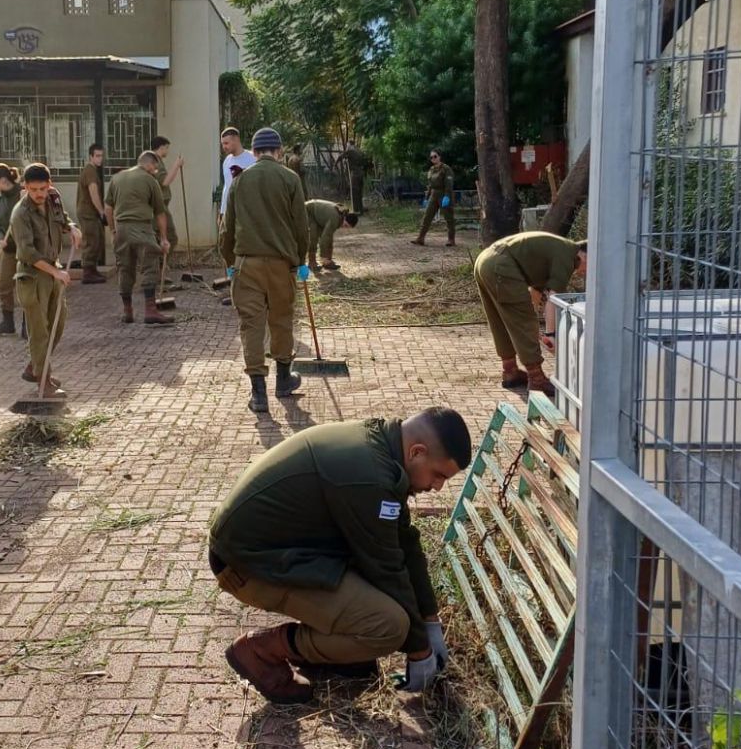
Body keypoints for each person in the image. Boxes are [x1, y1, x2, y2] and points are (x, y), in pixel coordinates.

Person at [209, 409, 473, 703]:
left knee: (380, 606)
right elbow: (387, 568)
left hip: (279, 552)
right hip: (246, 566)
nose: (437, 487)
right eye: (439, 475)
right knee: (388, 626)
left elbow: (404, 543)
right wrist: (419, 649)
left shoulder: (383, 448)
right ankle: (261, 649)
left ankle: (336, 652)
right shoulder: (370, 478)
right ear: (417, 452)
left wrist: (430, 619)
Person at [220, 127, 308, 413]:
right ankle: (284, 381)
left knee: (252, 326)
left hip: (247, 265)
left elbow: (227, 229)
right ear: (279, 151)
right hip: (282, 265)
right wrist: (300, 261)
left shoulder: (239, 181)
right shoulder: (290, 179)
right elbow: (301, 228)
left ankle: (258, 393)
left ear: (254, 152)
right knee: (281, 320)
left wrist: (229, 263)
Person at [473, 231, 588, 397]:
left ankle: (510, 370)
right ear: (585, 254)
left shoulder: (560, 249)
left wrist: (531, 319)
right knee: (523, 321)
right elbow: (554, 299)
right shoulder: (568, 256)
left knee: (500, 320)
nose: (586, 273)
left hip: (486, 261)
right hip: (501, 266)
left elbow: (536, 292)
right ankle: (537, 378)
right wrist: (550, 335)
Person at [9, 163, 81, 394]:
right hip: (32, 276)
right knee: (39, 331)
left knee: (57, 325)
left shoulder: (53, 199)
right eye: (33, 190)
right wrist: (56, 272)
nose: (39, 194)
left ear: (49, 185)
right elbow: (28, 253)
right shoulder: (20, 213)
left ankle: (34, 367)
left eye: (42, 188)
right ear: (25, 187)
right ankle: (43, 380)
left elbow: (62, 219)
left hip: (53, 271)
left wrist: (72, 227)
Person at [104, 151, 175, 327]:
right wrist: (164, 239)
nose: (156, 171)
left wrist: (113, 231)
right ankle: (151, 310)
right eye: (156, 167)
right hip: (142, 228)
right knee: (150, 265)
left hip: (121, 229)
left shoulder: (117, 178)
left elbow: (108, 208)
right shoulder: (150, 181)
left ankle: (127, 311)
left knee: (124, 268)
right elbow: (160, 213)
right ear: (150, 164)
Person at [0, 163, 23, 337]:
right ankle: (8, 323)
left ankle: (28, 325)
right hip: (9, 250)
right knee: (5, 286)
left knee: (25, 287)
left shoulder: (23, 195)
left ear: (2, 180)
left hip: (25, 249)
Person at [75, 143, 108, 284]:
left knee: (97, 240)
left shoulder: (92, 170)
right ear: (91, 156)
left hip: (90, 212)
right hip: (88, 212)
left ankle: (92, 270)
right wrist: (102, 212)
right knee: (91, 241)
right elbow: (93, 192)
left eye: (101, 156)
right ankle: (88, 273)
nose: (100, 159)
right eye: (97, 156)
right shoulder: (90, 171)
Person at [150, 134, 183, 267]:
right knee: (171, 237)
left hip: (160, 206)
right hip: (158, 207)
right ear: (161, 147)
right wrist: (176, 165)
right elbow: (165, 181)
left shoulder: (155, 160)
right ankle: (159, 268)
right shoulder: (154, 160)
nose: (167, 151)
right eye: (167, 148)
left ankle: (159, 269)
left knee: (160, 238)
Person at [415, 150, 456, 247]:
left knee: (448, 217)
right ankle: (420, 238)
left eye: (435, 156)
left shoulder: (446, 169)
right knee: (427, 216)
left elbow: (449, 183)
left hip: (444, 193)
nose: (433, 158)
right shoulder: (432, 169)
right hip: (434, 194)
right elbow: (430, 184)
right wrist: (426, 197)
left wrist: (447, 196)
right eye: (431, 157)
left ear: (439, 157)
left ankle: (451, 239)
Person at [305, 200, 358, 272]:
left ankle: (327, 262)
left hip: (318, 215)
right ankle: (312, 263)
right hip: (309, 211)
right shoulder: (335, 218)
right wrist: (323, 256)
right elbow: (325, 238)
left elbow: (329, 237)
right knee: (313, 237)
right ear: (345, 218)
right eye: (345, 225)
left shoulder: (342, 214)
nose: (343, 227)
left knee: (329, 237)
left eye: (346, 227)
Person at [218, 127, 256, 219]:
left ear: (236, 140)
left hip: (248, 212)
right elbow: (226, 187)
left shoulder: (253, 158)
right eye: (222, 144)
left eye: (226, 143)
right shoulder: (227, 161)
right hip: (229, 212)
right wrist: (222, 212)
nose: (224, 147)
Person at [340, 139, 369, 216]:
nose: (347, 146)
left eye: (347, 145)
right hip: (361, 173)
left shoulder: (350, 151)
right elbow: (366, 161)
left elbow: (340, 157)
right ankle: (361, 210)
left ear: (349, 144)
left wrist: (335, 165)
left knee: (354, 192)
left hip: (355, 174)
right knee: (359, 192)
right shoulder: (359, 151)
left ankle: (356, 211)